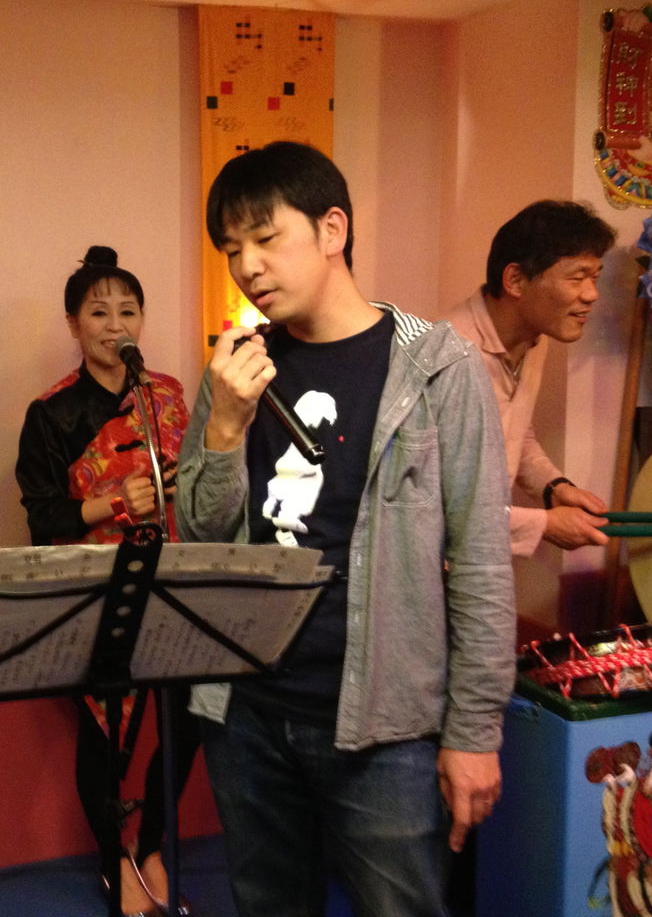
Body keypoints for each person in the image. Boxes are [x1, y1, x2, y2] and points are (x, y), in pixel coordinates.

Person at [176, 140, 515, 917]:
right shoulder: (237, 369)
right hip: (247, 712)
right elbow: (199, 539)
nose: (248, 266)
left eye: (267, 238)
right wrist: (224, 427)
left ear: (333, 229)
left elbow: (482, 562)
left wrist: (474, 731)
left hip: (384, 725)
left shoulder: (438, 368)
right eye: (231, 249)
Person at [15, 246, 202, 917]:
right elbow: (44, 519)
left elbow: (202, 483)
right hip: (98, 594)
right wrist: (113, 502)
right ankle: (111, 858)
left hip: (176, 584)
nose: (115, 325)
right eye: (98, 312)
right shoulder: (51, 413)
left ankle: (151, 845)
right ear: (74, 324)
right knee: (107, 734)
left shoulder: (169, 396)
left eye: (128, 310)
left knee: (188, 722)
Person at [443, 200, 617, 555]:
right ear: (516, 280)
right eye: (577, 277)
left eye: (595, 278)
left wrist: (554, 488)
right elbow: (436, 507)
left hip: (479, 557)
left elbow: (513, 435)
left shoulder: (533, 338)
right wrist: (544, 524)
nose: (592, 295)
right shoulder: (448, 357)